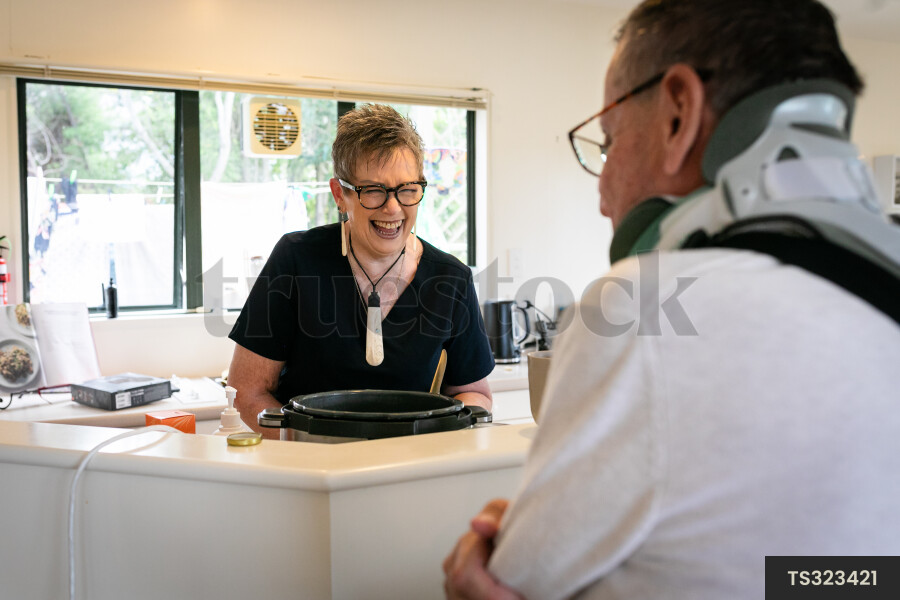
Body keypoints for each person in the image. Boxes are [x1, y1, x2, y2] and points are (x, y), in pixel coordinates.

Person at [444, 1, 900, 598]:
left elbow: (514, 578)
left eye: (607, 144)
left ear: (679, 113)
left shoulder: (643, 307)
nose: (604, 198)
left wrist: (475, 572)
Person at [228, 104, 494, 437]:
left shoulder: (450, 279)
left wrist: (445, 440)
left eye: (407, 189)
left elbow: (475, 393)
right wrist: (310, 448)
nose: (393, 207)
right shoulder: (297, 260)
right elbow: (247, 391)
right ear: (340, 194)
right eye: (373, 191)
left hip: (411, 469)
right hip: (311, 469)